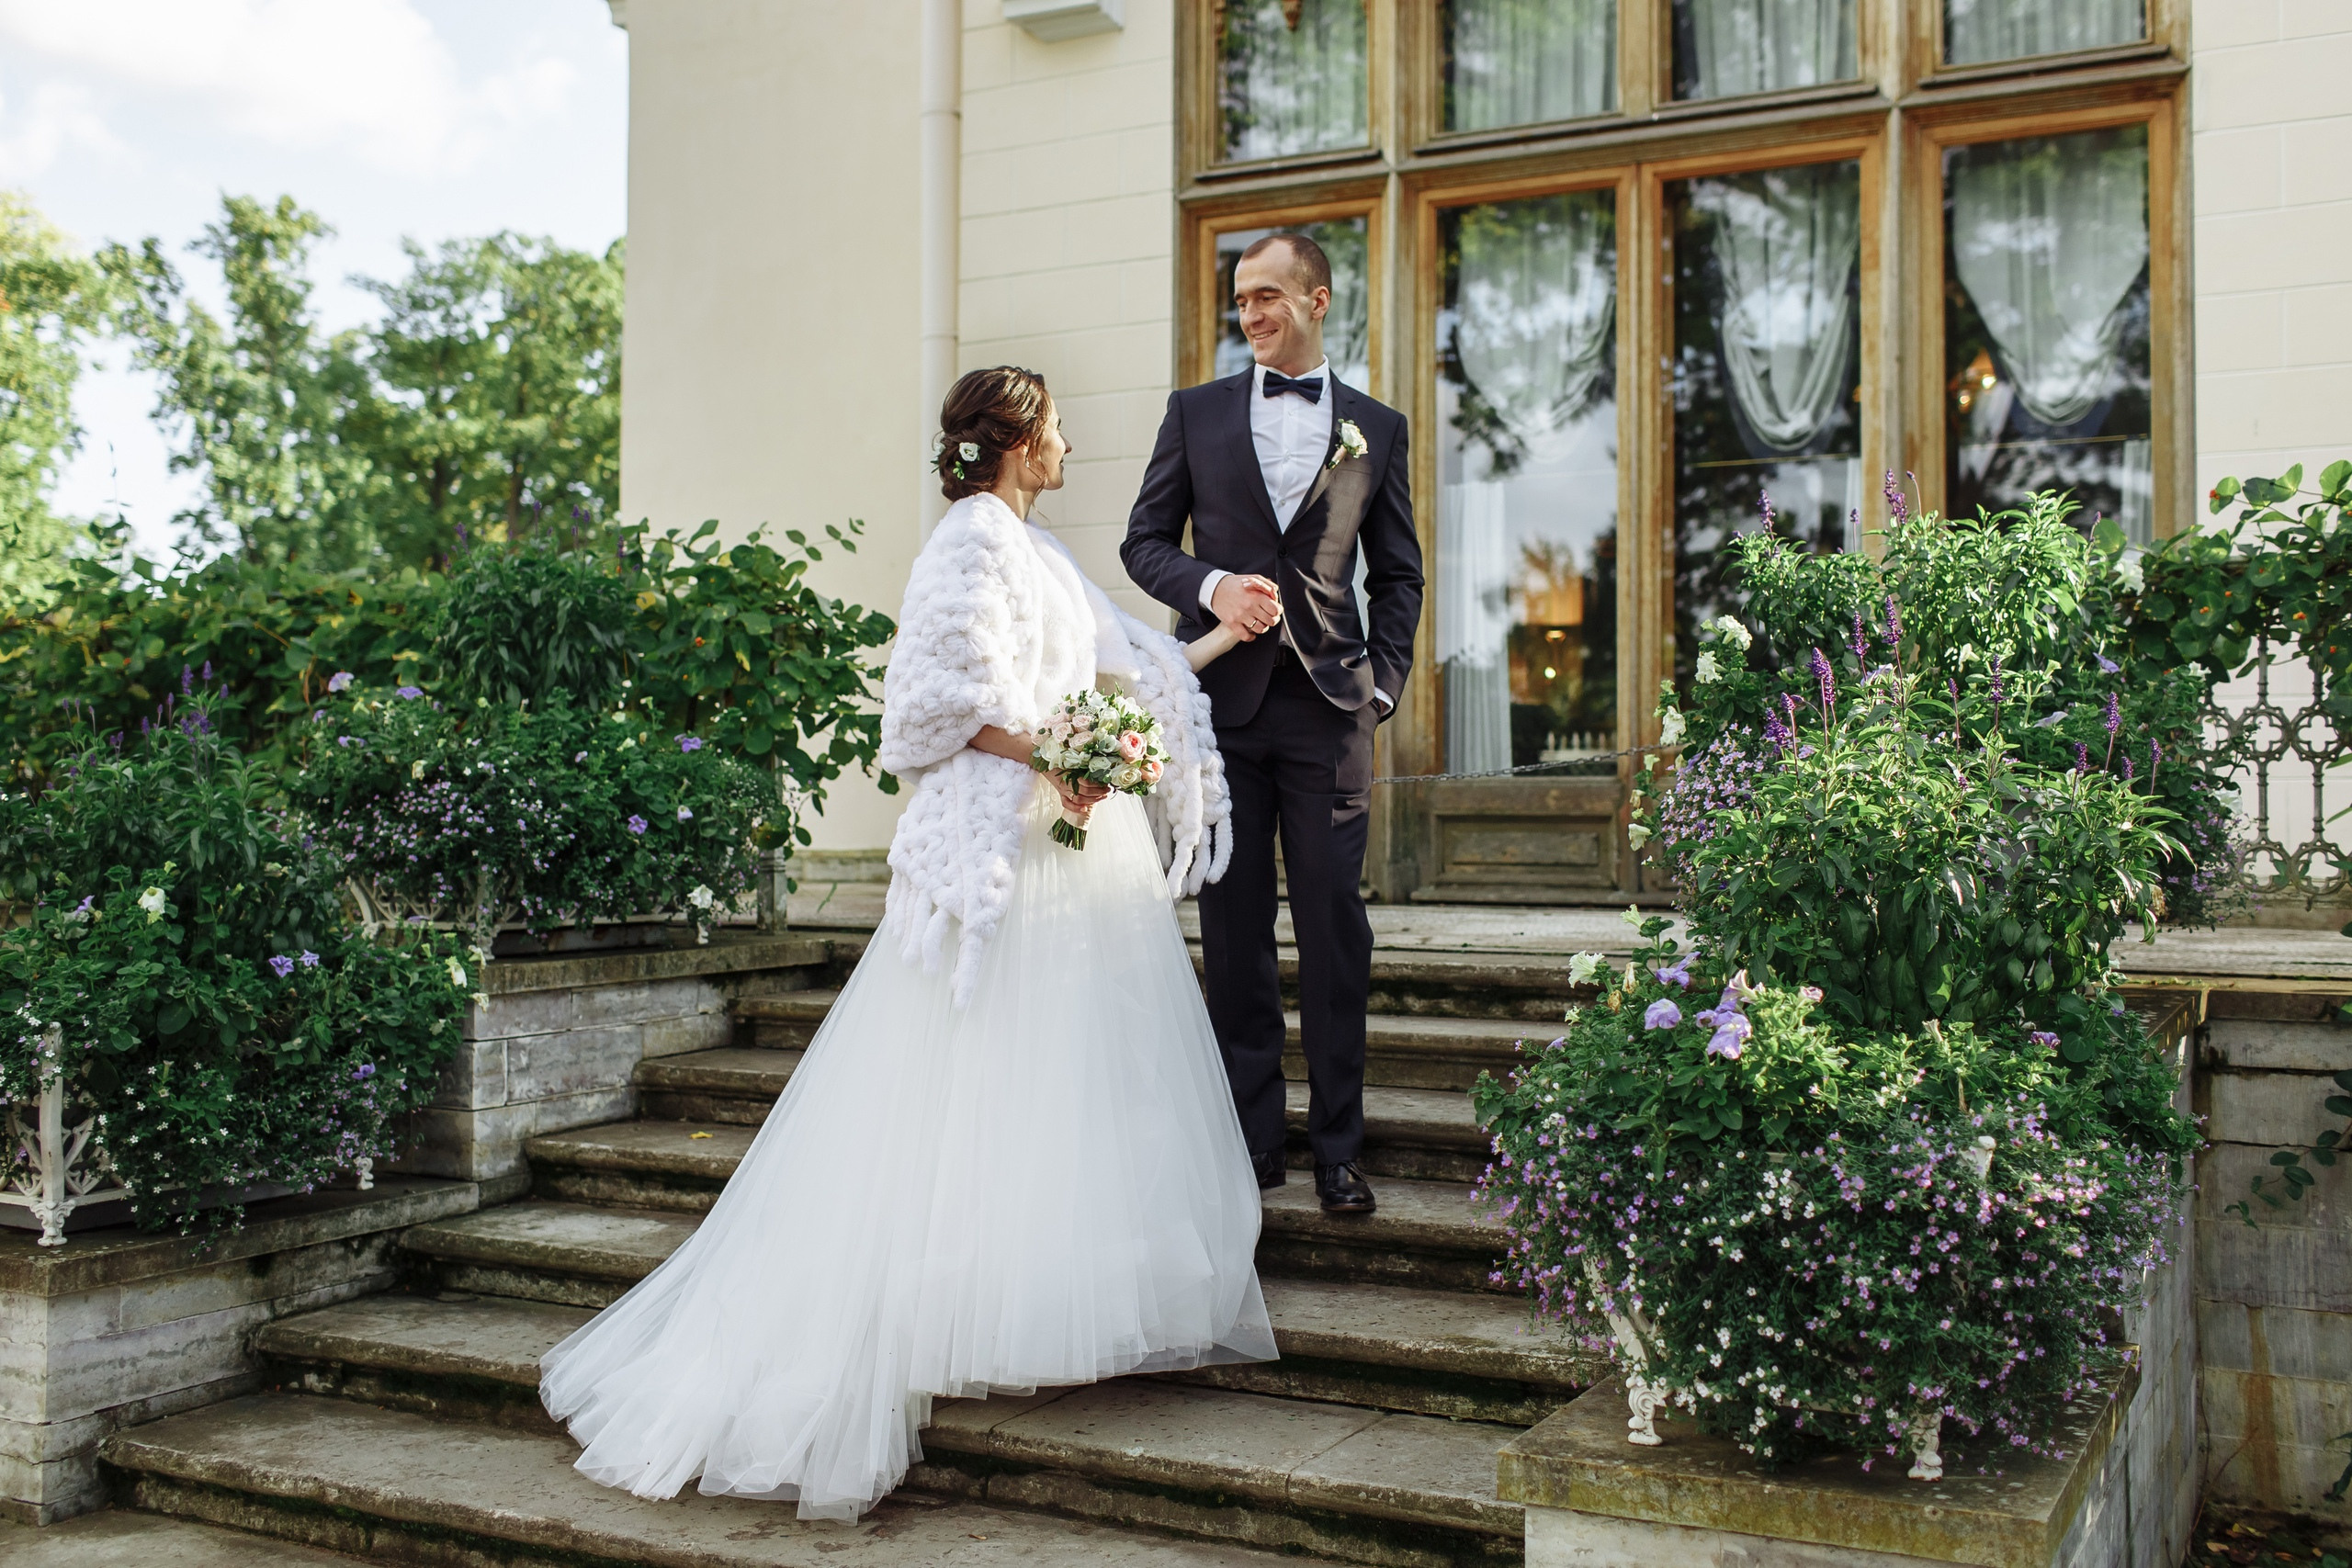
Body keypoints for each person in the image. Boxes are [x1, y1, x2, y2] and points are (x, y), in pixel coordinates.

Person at [539, 367, 1276, 1520]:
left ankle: (1032, 1299)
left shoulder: (1041, 551)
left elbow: (1135, 671)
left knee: (1056, 1081)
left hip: (1068, 857)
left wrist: (1222, 634)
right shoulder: (970, 541)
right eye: (1058, 427)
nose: (1070, 442)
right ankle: (928, 1310)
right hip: (1000, 852)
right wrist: (1060, 757)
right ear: (1019, 440)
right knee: (968, 1076)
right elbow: (933, 707)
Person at [1121, 232, 1424, 1215]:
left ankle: (1338, 1150)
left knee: (1335, 928)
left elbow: (1399, 574)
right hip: (1222, 712)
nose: (1249, 315)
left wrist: (1381, 689)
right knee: (1234, 927)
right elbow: (1142, 542)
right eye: (1240, 299)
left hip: (1332, 715)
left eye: (1267, 297)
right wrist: (1212, 586)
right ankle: (1252, 1146)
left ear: (1317, 300)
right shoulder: (1195, 413)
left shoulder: (1377, 427)